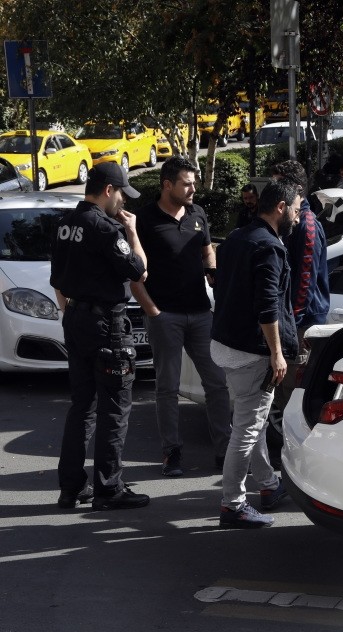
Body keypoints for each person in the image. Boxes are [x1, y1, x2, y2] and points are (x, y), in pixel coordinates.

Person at [50, 163, 150, 511]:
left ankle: (70, 487)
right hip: (107, 325)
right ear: (108, 190)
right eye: (122, 194)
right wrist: (133, 233)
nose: (122, 201)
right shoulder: (107, 228)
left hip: (76, 320)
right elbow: (139, 270)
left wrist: (74, 313)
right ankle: (108, 489)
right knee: (115, 407)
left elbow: (57, 281)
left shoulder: (64, 225)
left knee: (82, 406)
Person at [130, 156, 232, 477]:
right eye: (186, 183)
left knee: (217, 383)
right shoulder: (145, 220)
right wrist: (152, 311)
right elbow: (135, 273)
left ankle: (224, 448)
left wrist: (212, 269)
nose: (193, 188)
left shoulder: (197, 214)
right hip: (166, 316)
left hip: (201, 313)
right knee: (167, 387)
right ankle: (171, 452)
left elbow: (207, 249)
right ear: (167, 185)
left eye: (193, 182)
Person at [210, 178, 300, 528]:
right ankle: (232, 505)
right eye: (294, 209)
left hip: (226, 346)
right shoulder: (269, 247)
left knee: (253, 422)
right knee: (247, 428)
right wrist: (277, 353)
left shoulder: (236, 238)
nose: (296, 214)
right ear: (280, 208)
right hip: (251, 352)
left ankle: (268, 485)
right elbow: (267, 307)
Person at [269, 160, 330, 466]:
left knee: (294, 397)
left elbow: (303, 282)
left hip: (301, 324)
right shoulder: (292, 221)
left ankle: (301, 462)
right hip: (296, 321)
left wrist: (287, 327)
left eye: (277, 182)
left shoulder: (304, 224)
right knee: (287, 395)